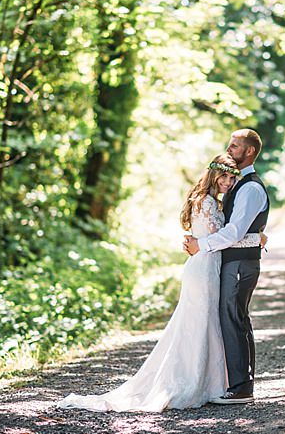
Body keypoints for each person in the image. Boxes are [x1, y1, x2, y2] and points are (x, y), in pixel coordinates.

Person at [57, 153, 255, 412]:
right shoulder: (205, 203)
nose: (228, 183)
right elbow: (222, 238)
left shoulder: (209, 200)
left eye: (232, 178)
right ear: (213, 174)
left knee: (207, 323)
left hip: (209, 266)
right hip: (203, 269)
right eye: (225, 176)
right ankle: (192, 382)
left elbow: (209, 239)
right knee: (198, 323)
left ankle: (213, 382)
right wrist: (255, 239)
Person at [184, 128, 269, 405]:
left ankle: (242, 388)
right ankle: (239, 384)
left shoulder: (251, 188)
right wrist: (256, 236)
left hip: (241, 265)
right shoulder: (237, 185)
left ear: (249, 151)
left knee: (233, 319)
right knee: (235, 319)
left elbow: (233, 232)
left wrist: (201, 245)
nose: (229, 149)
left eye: (235, 146)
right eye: (230, 145)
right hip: (233, 263)